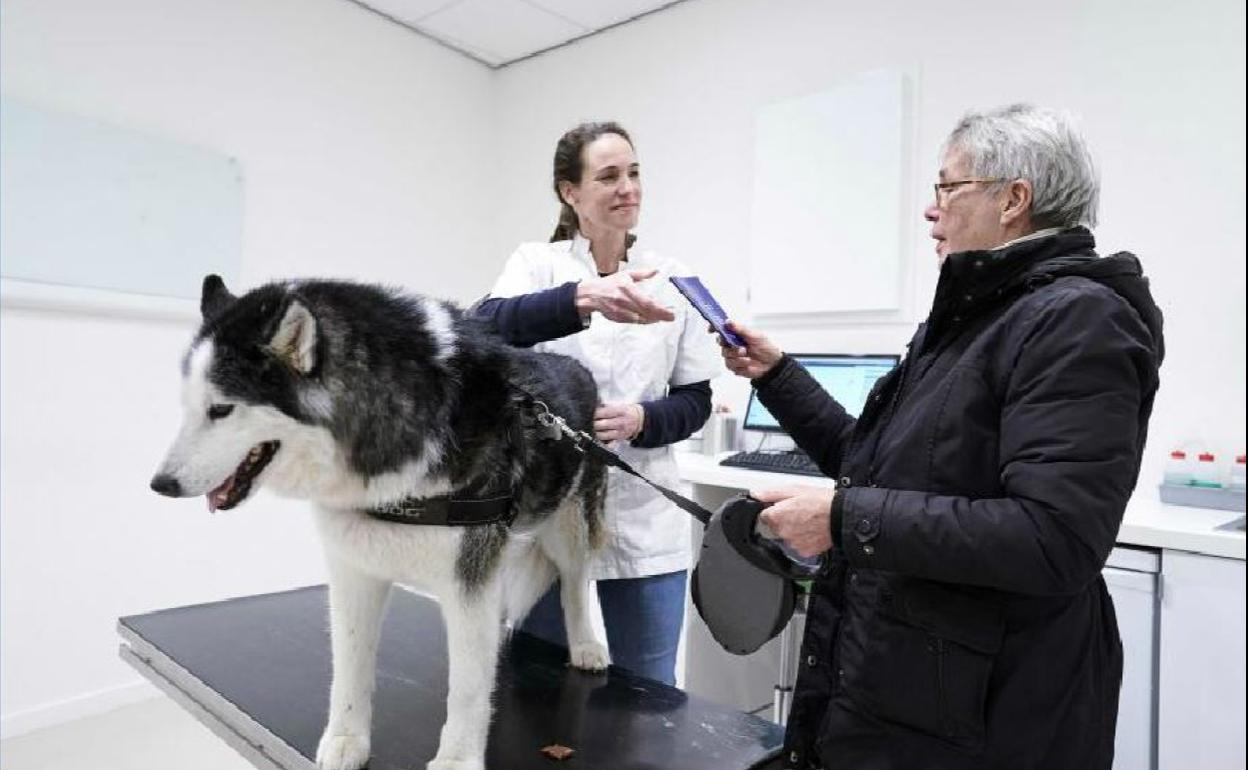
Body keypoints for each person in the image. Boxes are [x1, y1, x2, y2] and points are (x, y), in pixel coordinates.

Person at [719, 104, 1164, 769]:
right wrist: (777, 376)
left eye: (947, 187)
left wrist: (844, 519)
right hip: (913, 692)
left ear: (1014, 199)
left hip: (988, 716)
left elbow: (1054, 538)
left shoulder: (1079, 321)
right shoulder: (975, 319)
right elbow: (873, 465)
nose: (932, 210)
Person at [474, 121, 721, 685]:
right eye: (608, 176)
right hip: (548, 511)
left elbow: (696, 399)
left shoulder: (673, 279)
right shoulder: (538, 264)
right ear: (570, 192)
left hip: (642, 514)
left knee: (649, 693)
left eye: (634, 173)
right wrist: (584, 297)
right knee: (540, 689)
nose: (627, 187)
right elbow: (482, 326)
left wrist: (644, 419)